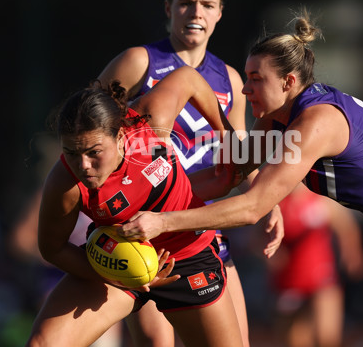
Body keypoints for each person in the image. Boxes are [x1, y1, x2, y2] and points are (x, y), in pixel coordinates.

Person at [118, 10, 363, 347]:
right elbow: (225, 175)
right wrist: (147, 196)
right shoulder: (277, 121)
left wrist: (162, 220)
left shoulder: (314, 123)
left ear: (289, 81)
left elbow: (251, 207)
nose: (245, 90)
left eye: (256, 79)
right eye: (246, 78)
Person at [98, 0, 282, 347]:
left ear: (219, 13)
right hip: (144, 229)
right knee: (155, 343)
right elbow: (88, 123)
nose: (195, 12)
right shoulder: (140, 62)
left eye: (206, 4)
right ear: (169, 9)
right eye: (185, 3)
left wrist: (268, 200)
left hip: (198, 226)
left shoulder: (231, 79)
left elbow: (237, 151)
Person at [25, 66, 245, 347]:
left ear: (119, 137)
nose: (83, 166)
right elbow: (52, 248)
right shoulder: (64, 182)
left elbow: (189, 78)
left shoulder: (151, 123)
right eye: (71, 153)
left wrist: (225, 136)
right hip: (117, 260)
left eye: (94, 153)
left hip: (186, 257)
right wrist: (118, 275)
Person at [268, 185, 363, 347]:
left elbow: (346, 226)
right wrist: (271, 256)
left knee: (326, 338)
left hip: (322, 276)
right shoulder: (278, 205)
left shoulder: (320, 199)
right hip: (289, 279)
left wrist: (352, 254)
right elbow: (259, 236)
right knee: (294, 340)